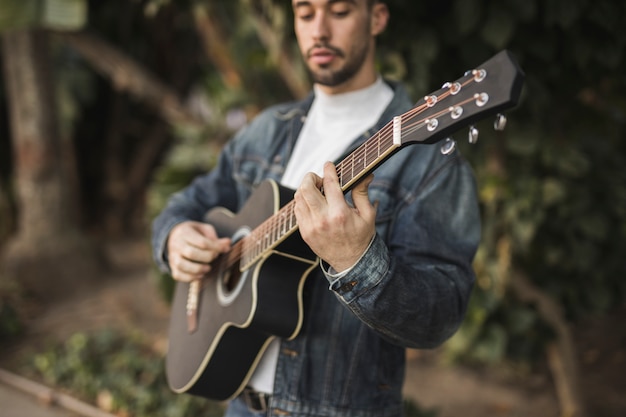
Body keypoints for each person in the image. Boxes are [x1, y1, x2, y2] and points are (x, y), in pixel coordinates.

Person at [151, 0, 481, 416]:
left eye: (339, 11)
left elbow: (442, 313)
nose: (319, 30)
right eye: (305, 13)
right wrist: (175, 236)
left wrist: (358, 262)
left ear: (377, 17)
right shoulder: (267, 130)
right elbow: (187, 203)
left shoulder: (428, 161)